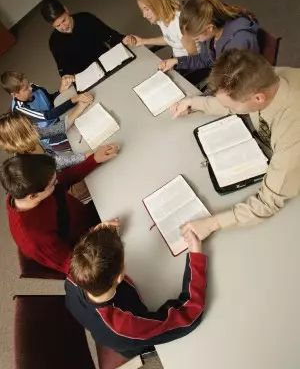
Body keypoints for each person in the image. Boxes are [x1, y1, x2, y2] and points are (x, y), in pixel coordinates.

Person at [170, 49, 300, 240]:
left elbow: (268, 202)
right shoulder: (266, 77)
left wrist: (212, 223)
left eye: (232, 107)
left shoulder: (292, 132)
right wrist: (194, 102)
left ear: (258, 98)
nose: (229, 109)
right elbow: (230, 102)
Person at [65, 221, 207, 358]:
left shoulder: (73, 278)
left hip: (102, 329)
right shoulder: (126, 326)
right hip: (134, 340)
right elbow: (190, 315)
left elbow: (85, 258)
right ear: (119, 276)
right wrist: (196, 256)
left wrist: (97, 237)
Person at [0, 146, 119, 274]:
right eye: (52, 184)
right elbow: (75, 267)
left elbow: (63, 179)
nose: (57, 182)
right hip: (91, 247)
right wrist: (97, 235)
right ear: (33, 196)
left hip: (89, 216)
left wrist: (93, 160)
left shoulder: (28, 187)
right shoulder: (33, 239)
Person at [159, 0, 259, 74]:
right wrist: (177, 61)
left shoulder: (238, 42)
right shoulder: (213, 34)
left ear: (209, 28)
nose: (195, 41)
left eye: (197, 38)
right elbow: (206, 59)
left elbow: (235, 80)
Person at [0, 70, 92, 147]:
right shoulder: (21, 110)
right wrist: (74, 99)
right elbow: (49, 115)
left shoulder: (33, 87)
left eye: (28, 83)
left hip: (59, 119)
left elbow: (50, 102)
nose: (30, 88)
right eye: (25, 88)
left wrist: (61, 90)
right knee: (84, 139)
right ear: (14, 94)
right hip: (52, 136)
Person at [41, 0, 124, 76]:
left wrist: (123, 39)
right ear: (51, 25)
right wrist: (66, 77)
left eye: (64, 20)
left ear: (66, 10)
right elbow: (63, 69)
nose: (64, 27)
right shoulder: (54, 42)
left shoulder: (86, 18)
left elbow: (109, 35)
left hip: (106, 61)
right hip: (86, 75)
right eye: (58, 26)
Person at [123, 0, 199, 58]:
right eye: (142, 10)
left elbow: (194, 60)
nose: (144, 15)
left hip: (190, 65)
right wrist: (142, 41)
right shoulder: (161, 18)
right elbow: (170, 39)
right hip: (178, 59)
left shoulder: (179, 25)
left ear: (159, 4)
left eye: (147, 9)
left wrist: (173, 63)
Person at [0, 109, 91, 170]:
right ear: (23, 137)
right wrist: (95, 151)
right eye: (31, 127)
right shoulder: (32, 162)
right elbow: (69, 160)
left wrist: (80, 107)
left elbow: (58, 128)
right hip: (61, 181)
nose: (36, 126)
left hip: (62, 160)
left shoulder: (30, 138)